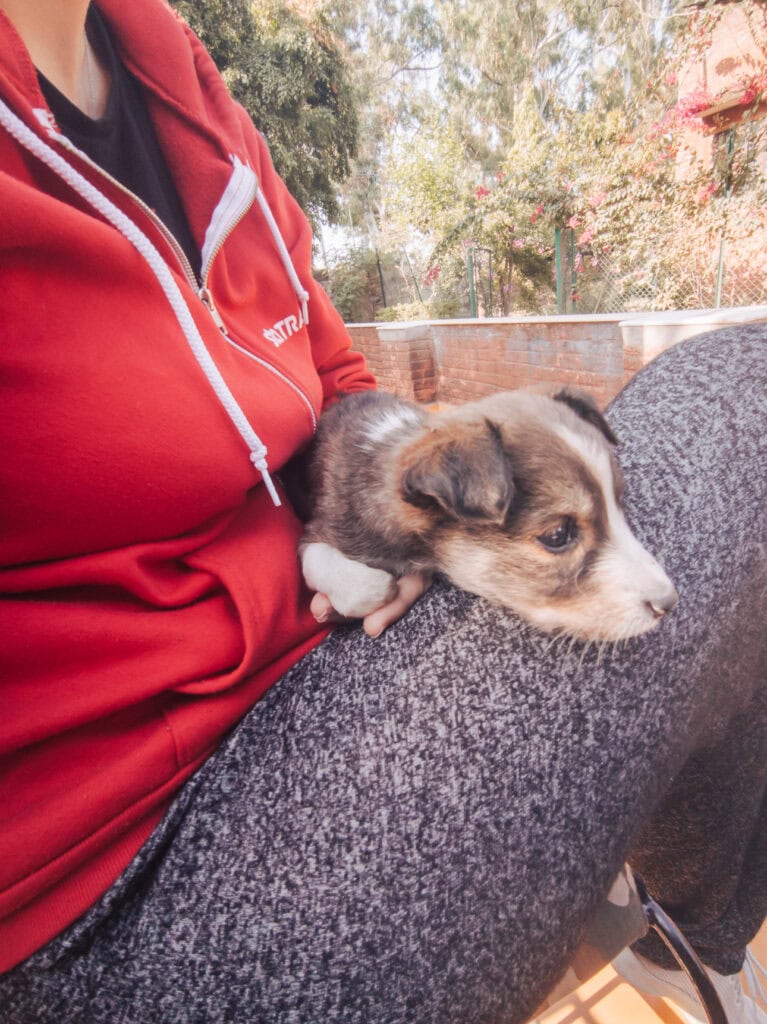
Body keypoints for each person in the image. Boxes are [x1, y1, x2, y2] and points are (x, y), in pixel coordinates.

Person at [0, 2, 765, 1022]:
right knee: (744, 394)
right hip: (118, 875)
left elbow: (332, 376)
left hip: (332, 664)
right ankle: (690, 920)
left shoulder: (176, 74)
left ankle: (685, 928)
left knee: (725, 485)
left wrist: (400, 521)